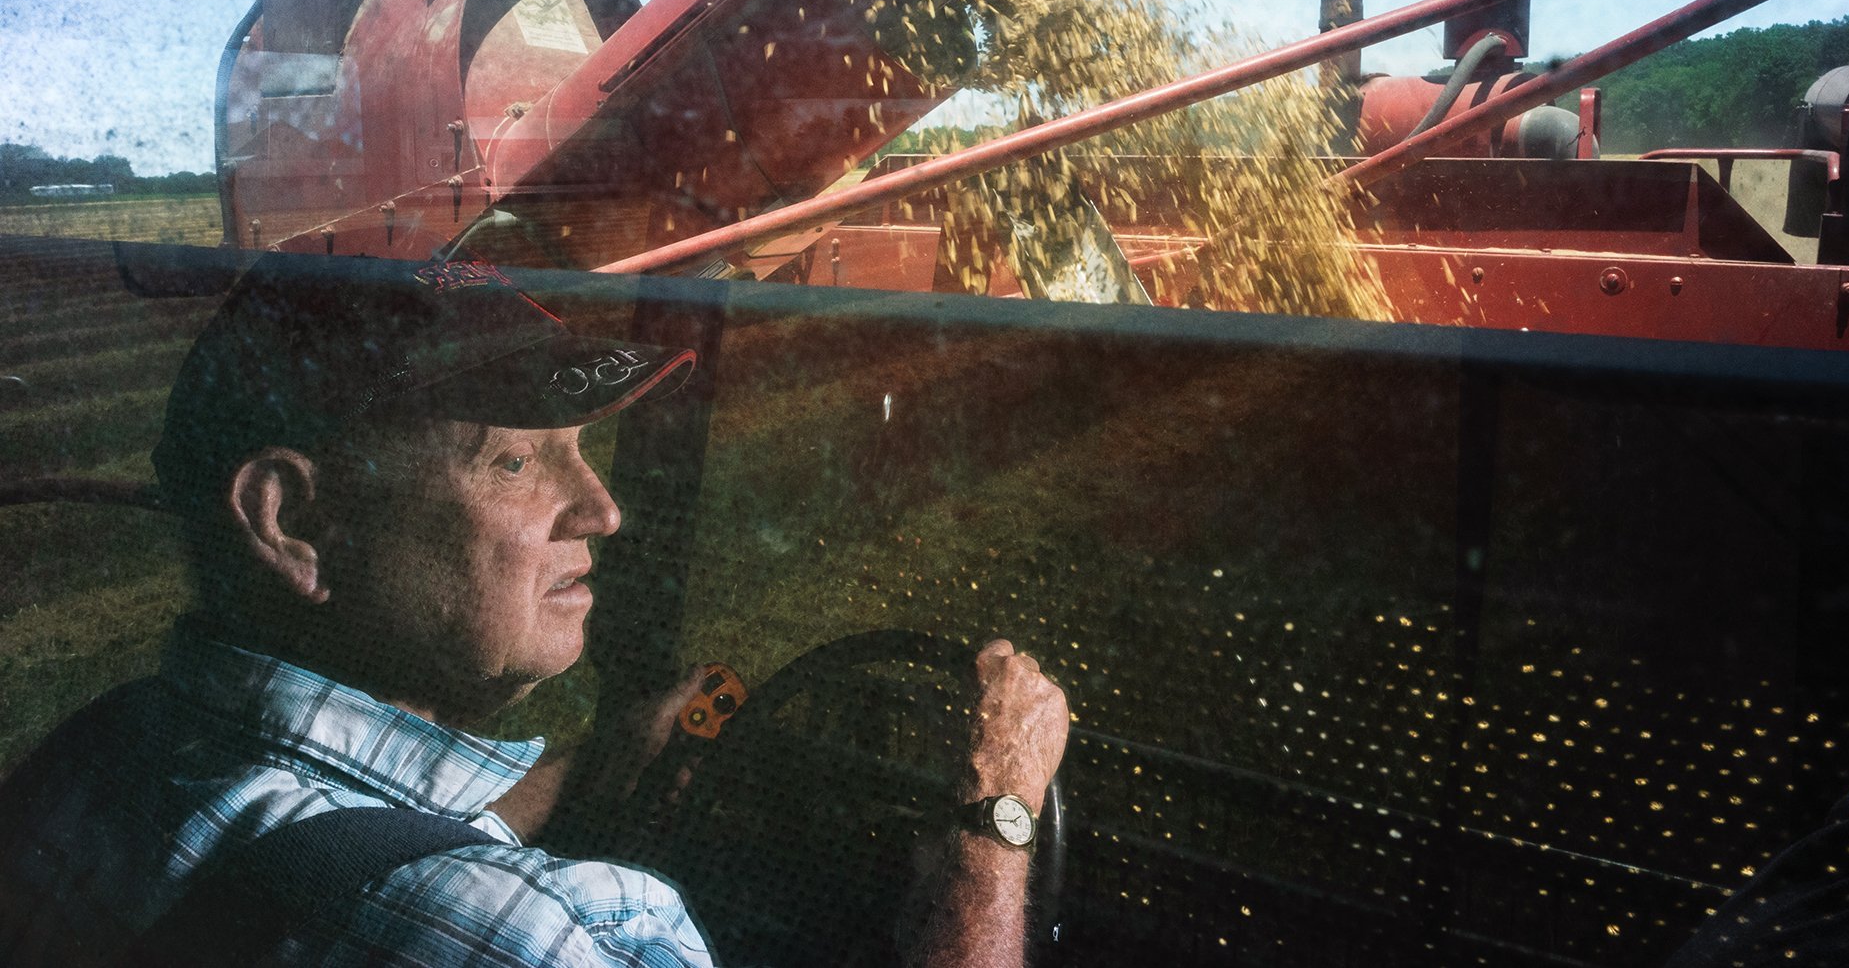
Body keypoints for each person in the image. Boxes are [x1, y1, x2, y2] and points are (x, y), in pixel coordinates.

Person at [0, 252, 1069, 966]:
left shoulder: (94, 759)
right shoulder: (535, 934)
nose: (600, 509)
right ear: (292, 525)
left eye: (584, 453)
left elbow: (310, 847)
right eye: (515, 461)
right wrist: (994, 820)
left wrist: (589, 777)